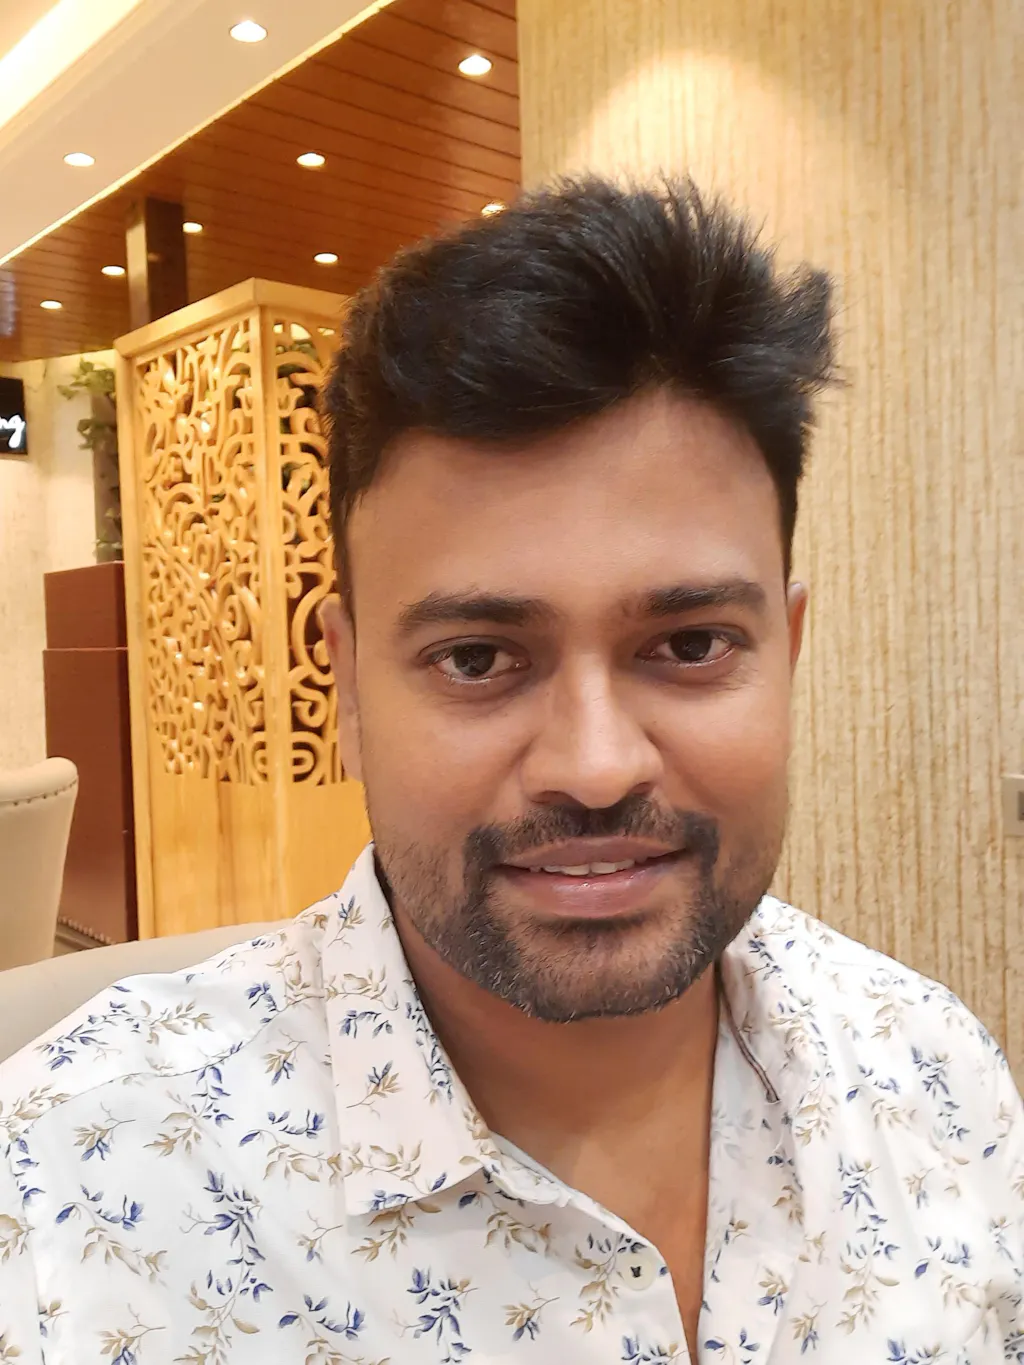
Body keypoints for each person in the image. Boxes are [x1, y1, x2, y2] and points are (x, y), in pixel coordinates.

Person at [0, 179, 1020, 1364]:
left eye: (691, 644)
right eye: (477, 658)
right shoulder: (62, 1198)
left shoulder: (931, 1068)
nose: (594, 766)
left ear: (787, 652)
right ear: (345, 685)